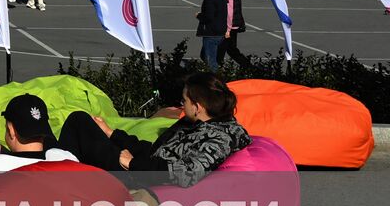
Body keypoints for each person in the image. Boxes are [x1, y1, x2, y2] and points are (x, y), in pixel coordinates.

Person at [57, 73, 250, 188]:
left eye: (184, 100)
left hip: (141, 178)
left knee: (78, 123)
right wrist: (112, 134)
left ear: (198, 106)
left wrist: (132, 164)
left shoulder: (219, 139)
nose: (181, 105)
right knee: (80, 123)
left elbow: (189, 173)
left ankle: (57, 179)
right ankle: (59, 172)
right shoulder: (192, 124)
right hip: (140, 165)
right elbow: (156, 151)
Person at [216, 0, 248, 69]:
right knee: (231, 49)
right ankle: (247, 66)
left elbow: (229, 11)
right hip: (235, 23)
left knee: (222, 49)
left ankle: (217, 69)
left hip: (230, 26)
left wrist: (228, 29)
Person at [196, 0, 227, 72]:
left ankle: (215, 81)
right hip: (220, 31)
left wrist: (199, 15)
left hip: (212, 33)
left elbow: (209, 16)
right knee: (205, 55)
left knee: (210, 61)